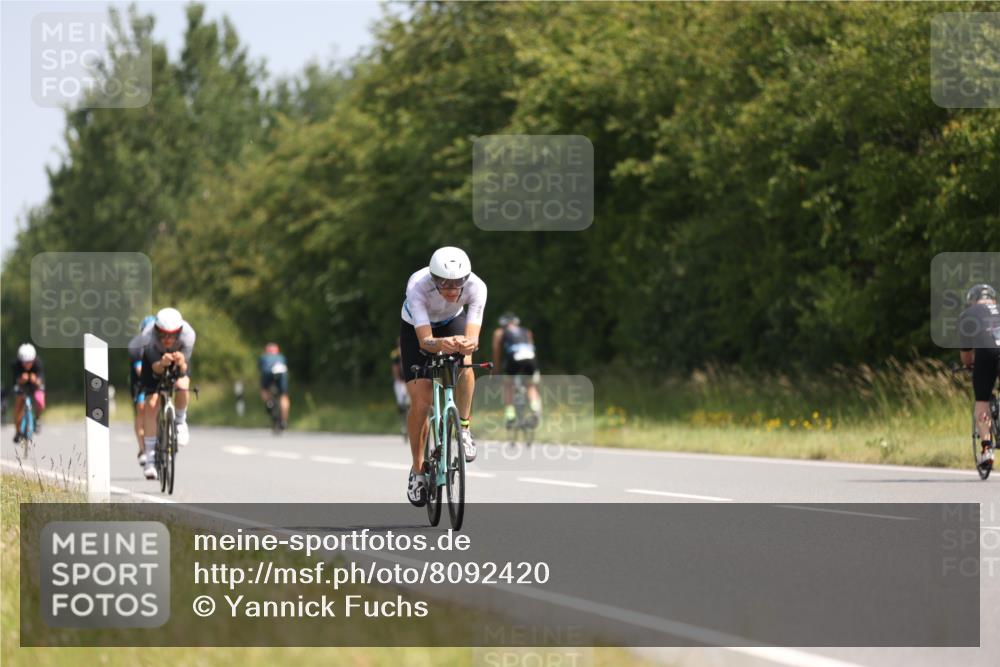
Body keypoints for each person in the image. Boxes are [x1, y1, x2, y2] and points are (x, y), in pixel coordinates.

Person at [399, 246, 486, 506]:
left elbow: (473, 338)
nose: (451, 289)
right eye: (444, 283)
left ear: (466, 278)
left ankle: (464, 428)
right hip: (416, 328)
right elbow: (425, 341)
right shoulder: (417, 286)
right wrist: (440, 344)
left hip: (451, 321)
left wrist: (467, 344)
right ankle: (417, 470)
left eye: (457, 283)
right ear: (433, 278)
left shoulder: (477, 287)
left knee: (466, 363)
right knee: (421, 401)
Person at [137, 307, 197, 480]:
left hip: (179, 360)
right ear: (156, 330)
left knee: (182, 384)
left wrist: (180, 362)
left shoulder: (188, 335)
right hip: (154, 362)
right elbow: (155, 368)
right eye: (163, 335)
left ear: (179, 332)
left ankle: (180, 421)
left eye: (172, 335)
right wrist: (162, 363)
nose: (167, 339)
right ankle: (150, 459)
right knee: (151, 403)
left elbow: (183, 369)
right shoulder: (147, 336)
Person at [959, 283, 1000, 468]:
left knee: (982, 401)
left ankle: (986, 449)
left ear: (972, 301)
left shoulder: (968, 314)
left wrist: (969, 365)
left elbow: (966, 355)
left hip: (986, 353)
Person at [492, 312, 542, 427]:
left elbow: (497, 353)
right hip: (530, 359)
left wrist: (496, 371)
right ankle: (535, 410)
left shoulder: (499, 332)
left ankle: (510, 416)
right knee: (531, 386)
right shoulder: (527, 331)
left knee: (508, 386)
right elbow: (532, 348)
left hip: (514, 358)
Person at [127, 315, 156, 466]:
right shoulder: (137, 346)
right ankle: (143, 449)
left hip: (157, 379)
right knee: (142, 411)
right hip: (141, 384)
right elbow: (140, 371)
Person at [11, 343, 45, 443]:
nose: (27, 365)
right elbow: (15, 381)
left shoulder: (38, 363)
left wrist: (36, 380)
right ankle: (18, 431)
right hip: (21, 386)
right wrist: (21, 380)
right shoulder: (16, 365)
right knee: (18, 407)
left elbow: (41, 381)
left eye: (29, 362)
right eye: (24, 362)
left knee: (40, 401)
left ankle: (37, 419)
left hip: (35, 386)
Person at [259, 343, 290, 429]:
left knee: (264, 389)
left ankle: (268, 402)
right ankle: (284, 421)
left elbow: (260, 368)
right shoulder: (281, 357)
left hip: (267, 374)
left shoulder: (263, 357)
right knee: (284, 396)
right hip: (281, 374)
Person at [391, 338, 410, 436]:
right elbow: (395, 368)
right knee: (401, 404)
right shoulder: (395, 354)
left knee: (410, 403)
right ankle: (403, 424)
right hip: (400, 381)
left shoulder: (409, 351)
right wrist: (398, 379)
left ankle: (409, 423)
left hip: (409, 381)